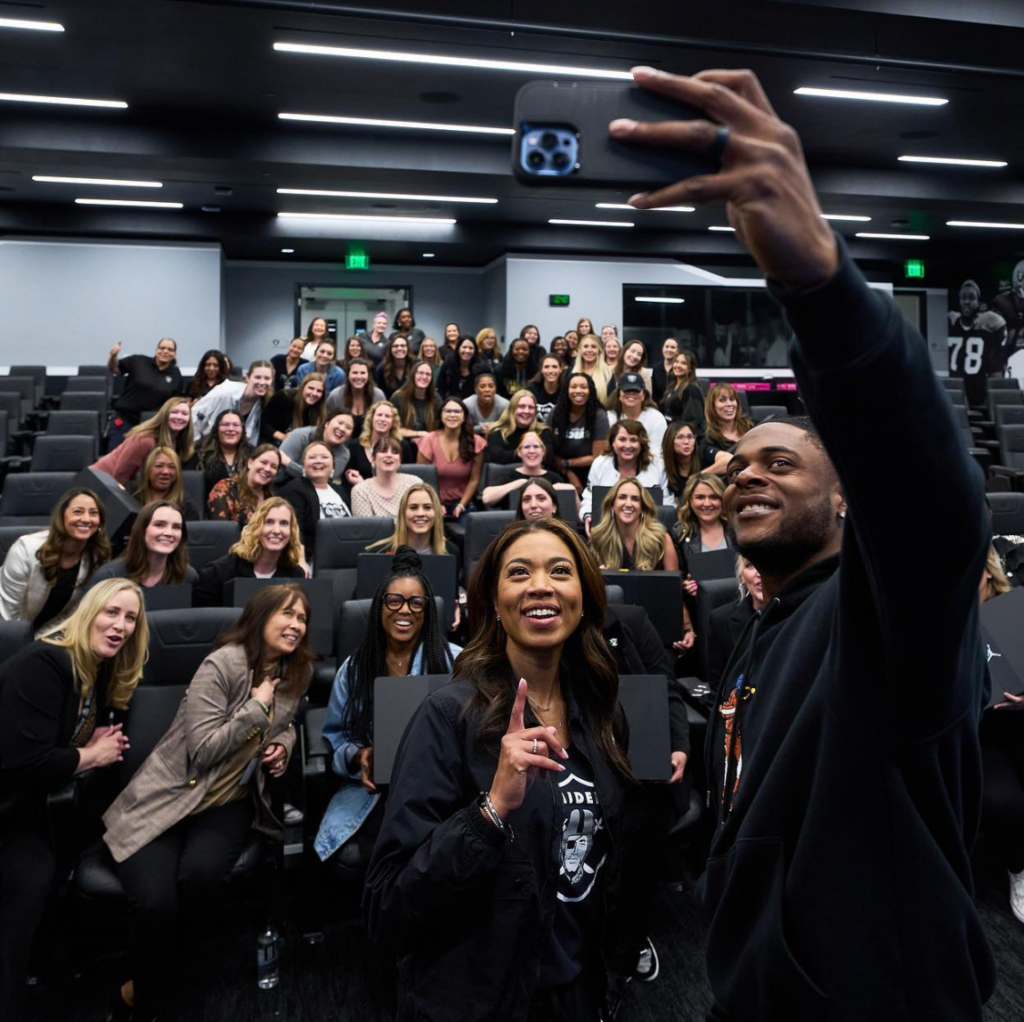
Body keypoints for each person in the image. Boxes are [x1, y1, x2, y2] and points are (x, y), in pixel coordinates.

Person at [614, 64, 995, 1018]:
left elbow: (931, 505)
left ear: (847, 500)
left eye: (781, 463)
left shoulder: (882, 616)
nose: (747, 471)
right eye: (738, 461)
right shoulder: (766, 621)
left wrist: (819, 285)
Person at [365, 517, 636, 1019]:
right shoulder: (447, 716)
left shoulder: (603, 712)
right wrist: (490, 811)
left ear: (584, 593)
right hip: (484, 1001)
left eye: (560, 570)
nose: (540, 585)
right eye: (518, 573)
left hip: (581, 992)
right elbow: (388, 909)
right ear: (491, 601)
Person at [102, 584, 312, 1022]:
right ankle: (147, 997)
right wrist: (256, 708)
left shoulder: (295, 671)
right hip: (169, 796)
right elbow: (203, 748)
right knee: (156, 902)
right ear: (260, 617)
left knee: (199, 880)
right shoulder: (224, 663)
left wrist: (284, 743)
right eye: (286, 615)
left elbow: (283, 723)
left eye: (303, 618)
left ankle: (158, 977)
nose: (296, 625)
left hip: (227, 800)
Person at [0, 579, 146, 1021]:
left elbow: (52, 737)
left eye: (130, 618)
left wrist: (84, 740)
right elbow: (21, 761)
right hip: (9, 807)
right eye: (111, 613)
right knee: (27, 888)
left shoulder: (94, 669)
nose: (119, 625)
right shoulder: (46, 662)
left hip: (28, 808)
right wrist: (88, 754)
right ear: (88, 613)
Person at [315, 549, 461, 866]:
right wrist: (360, 755)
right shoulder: (354, 670)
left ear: (427, 612)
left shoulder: (456, 663)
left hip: (440, 790)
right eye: (393, 600)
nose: (403, 610)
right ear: (380, 606)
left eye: (416, 602)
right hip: (375, 794)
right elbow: (337, 738)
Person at [0, 488, 111, 629]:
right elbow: (8, 615)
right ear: (62, 516)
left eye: (93, 513)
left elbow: (70, 615)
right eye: (78, 511)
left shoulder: (96, 556)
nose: (86, 519)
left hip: (48, 634)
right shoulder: (25, 549)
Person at [192, 499, 306, 606]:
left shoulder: (296, 575)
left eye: (284, 523)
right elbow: (205, 623)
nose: (277, 530)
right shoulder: (217, 573)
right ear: (255, 527)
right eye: (269, 522)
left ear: (292, 531)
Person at [579, 419, 671, 532]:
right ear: (613, 442)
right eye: (622, 439)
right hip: (607, 529)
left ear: (642, 443)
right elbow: (589, 498)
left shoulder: (657, 466)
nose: (628, 445)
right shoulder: (600, 464)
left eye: (633, 440)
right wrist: (588, 515)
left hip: (648, 530)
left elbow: (667, 503)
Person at [89, 500, 198, 589]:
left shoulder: (188, 577)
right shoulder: (108, 576)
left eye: (176, 527)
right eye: (159, 525)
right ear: (141, 530)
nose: (169, 533)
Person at [277, 441, 352, 563]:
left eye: (324, 457)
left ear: (333, 464)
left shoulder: (341, 491)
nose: (318, 461)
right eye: (312, 457)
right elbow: (295, 529)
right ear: (303, 464)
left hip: (345, 558)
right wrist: (300, 561)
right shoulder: (294, 489)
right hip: (312, 560)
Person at [91, 397, 194, 485]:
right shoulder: (144, 439)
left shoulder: (181, 442)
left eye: (184, 414)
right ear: (164, 415)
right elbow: (121, 475)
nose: (179, 417)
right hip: (99, 481)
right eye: (174, 412)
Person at [106, 337, 184, 449]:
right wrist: (113, 356)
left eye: (170, 349)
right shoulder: (138, 361)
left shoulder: (176, 375)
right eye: (162, 348)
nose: (165, 351)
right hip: (124, 421)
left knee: (146, 463)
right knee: (114, 461)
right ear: (156, 350)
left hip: (151, 426)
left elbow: (175, 402)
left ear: (174, 354)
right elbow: (114, 368)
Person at [415, 397, 486, 518]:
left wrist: (461, 505)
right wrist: (435, 503)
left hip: (463, 502)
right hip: (432, 501)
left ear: (464, 417)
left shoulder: (475, 442)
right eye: (448, 411)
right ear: (441, 415)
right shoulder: (429, 440)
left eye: (457, 411)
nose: (452, 415)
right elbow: (421, 479)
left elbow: (474, 480)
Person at [590, 478, 678, 571]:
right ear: (612, 504)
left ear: (642, 507)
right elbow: (592, 582)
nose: (628, 504)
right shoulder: (599, 538)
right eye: (622, 497)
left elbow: (673, 581)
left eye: (635, 499)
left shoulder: (661, 538)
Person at [950, 279, 1011, 407]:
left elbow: (996, 370)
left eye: (971, 298)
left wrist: (992, 401)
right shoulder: (951, 322)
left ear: (978, 302)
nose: (967, 302)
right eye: (963, 298)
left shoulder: (990, 324)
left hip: (980, 393)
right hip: (954, 394)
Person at [549, 372, 610, 492]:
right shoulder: (556, 413)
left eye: (583, 387)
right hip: (557, 470)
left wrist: (567, 463)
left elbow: (598, 456)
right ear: (566, 390)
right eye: (573, 386)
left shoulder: (599, 415)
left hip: (590, 472)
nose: (578, 390)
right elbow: (547, 448)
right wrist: (568, 471)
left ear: (590, 391)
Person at [480, 430, 573, 510]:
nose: (532, 451)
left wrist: (561, 489)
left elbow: (576, 513)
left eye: (536, 447)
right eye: (527, 447)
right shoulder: (509, 476)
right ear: (519, 452)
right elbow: (487, 499)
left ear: (543, 452)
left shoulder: (554, 478)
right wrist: (519, 483)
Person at [192, 360, 274, 446]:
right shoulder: (224, 391)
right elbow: (194, 416)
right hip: (205, 445)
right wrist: (197, 445)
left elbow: (251, 438)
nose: (262, 382)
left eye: (267, 378)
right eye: (257, 377)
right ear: (247, 377)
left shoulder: (262, 404)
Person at [367, 484, 452, 558]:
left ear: (436, 513)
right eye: (413, 507)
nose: (420, 513)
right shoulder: (378, 553)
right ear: (403, 513)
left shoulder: (451, 552)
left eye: (427, 507)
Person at [207, 443, 280, 525]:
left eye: (273, 467)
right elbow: (221, 530)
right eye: (263, 462)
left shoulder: (271, 498)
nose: (267, 469)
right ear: (250, 463)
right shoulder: (225, 488)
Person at [279, 410, 360, 483]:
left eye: (348, 427)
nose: (342, 429)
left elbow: (326, 480)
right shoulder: (301, 435)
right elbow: (279, 467)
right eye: (340, 423)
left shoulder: (343, 454)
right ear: (327, 424)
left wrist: (289, 464)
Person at [187, 409, 250, 499]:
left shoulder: (252, 455)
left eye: (236, 425)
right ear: (217, 428)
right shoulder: (200, 453)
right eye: (225, 424)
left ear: (242, 429)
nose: (231, 429)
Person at [350, 438, 421, 518]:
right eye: (383, 451)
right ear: (373, 458)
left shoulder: (415, 483)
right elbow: (366, 528)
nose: (389, 455)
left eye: (395, 452)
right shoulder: (361, 491)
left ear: (400, 460)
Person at [673, 471, 731, 562]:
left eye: (714, 497)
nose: (707, 504)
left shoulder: (737, 529)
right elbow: (678, 574)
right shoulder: (679, 533)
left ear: (722, 500)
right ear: (690, 501)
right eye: (700, 497)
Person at [134, 446, 200, 520]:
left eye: (172, 467)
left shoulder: (187, 506)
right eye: (159, 466)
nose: (166, 472)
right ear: (147, 470)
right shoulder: (134, 498)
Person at [325, 358, 386, 437]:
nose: (359, 376)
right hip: (341, 441)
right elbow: (327, 424)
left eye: (363, 373)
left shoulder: (378, 395)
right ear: (348, 375)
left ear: (368, 376)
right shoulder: (335, 396)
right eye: (355, 372)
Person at [607, 372, 668, 451]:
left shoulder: (656, 418)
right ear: (619, 395)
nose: (631, 393)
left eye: (636, 391)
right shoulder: (609, 417)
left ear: (643, 395)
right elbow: (607, 450)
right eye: (627, 390)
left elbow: (657, 452)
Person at [700, 382, 753, 473]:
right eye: (722, 400)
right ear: (712, 406)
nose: (729, 404)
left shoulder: (751, 427)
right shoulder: (708, 439)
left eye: (732, 399)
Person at [260, 372, 326, 444]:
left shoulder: (318, 409)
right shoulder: (283, 397)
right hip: (272, 442)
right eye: (311, 388)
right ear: (302, 387)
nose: (314, 393)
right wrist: (283, 437)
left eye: (319, 391)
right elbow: (264, 424)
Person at [485, 389, 547, 465]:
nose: (526, 411)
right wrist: (532, 454)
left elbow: (547, 458)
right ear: (512, 409)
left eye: (531, 407)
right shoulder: (496, 432)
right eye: (522, 406)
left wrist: (516, 455)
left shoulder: (543, 431)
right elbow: (498, 457)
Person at [392, 361, 442, 446]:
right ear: (413, 375)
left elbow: (441, 428)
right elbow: (393, 429)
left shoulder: (435, 399)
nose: (424, 377)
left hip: (429, 444)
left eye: (428, 374)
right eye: (420, 373)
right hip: (402, 444)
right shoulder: (398, 398)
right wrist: (418, 434)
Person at [352, 400, 403, 478]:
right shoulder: (355, 446)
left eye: (387, 416)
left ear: (393, 422)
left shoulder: (402, 446)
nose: (382, 419)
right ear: (371, 419)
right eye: (379, 415)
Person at [660, 351, 706, 429]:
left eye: (683, 363)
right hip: (669, 432)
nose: (678, 365)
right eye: (676, 362)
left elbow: (693, 421)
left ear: (690, 369)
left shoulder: (692, 389)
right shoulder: (672, 386)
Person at [663, 421, 701, 501]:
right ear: (670, 440)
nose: (686, 442)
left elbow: (727, 461)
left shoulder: (702, 453)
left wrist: (698, 476)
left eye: (690, 437)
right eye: (680, 437)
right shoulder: (663, 467)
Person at [573, 333, 615, 405]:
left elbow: (611, 402)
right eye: (585, 346)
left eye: (593, 347)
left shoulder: (608, 374)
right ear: (580, 350)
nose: (589, 350)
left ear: (599, 350)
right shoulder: (572, 373)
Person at [464, 368, 508, 436]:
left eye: (491, 386)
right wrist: (480, 428)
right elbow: (464, 429)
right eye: (482, 386)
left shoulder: (504, 405)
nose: (487, 390)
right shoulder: (467, 405)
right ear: (476, 389)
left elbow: (507, 428)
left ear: (495, 389)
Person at [437, 335, 480, 400]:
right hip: (450, 403)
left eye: (471, 348)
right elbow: (440, 387)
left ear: (475, 351)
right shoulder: (448, 363)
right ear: (458, 348)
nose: (467, 351)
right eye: (464, 347)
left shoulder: (480, 367)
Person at [529, 354, 565, 422]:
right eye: (546, 367)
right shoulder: (531, 390)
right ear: (541, 370)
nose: (550, 371)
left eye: (554, 367)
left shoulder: (566, 391)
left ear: (560, 369)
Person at [651, 337, 679, 403]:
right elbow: (654, 394)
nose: (669, 349)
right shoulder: (656, 369)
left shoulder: (679, 369)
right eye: (666, 347)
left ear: (677, 351)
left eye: (673, 347)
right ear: (662, 349)